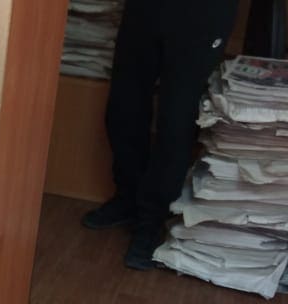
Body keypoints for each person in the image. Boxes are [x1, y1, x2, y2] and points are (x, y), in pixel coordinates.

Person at [82, 0, 240, 269]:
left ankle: (152, 219)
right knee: (123, 107)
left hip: (203, 14)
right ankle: (127, 197)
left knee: (176, 119)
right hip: (146, 8)